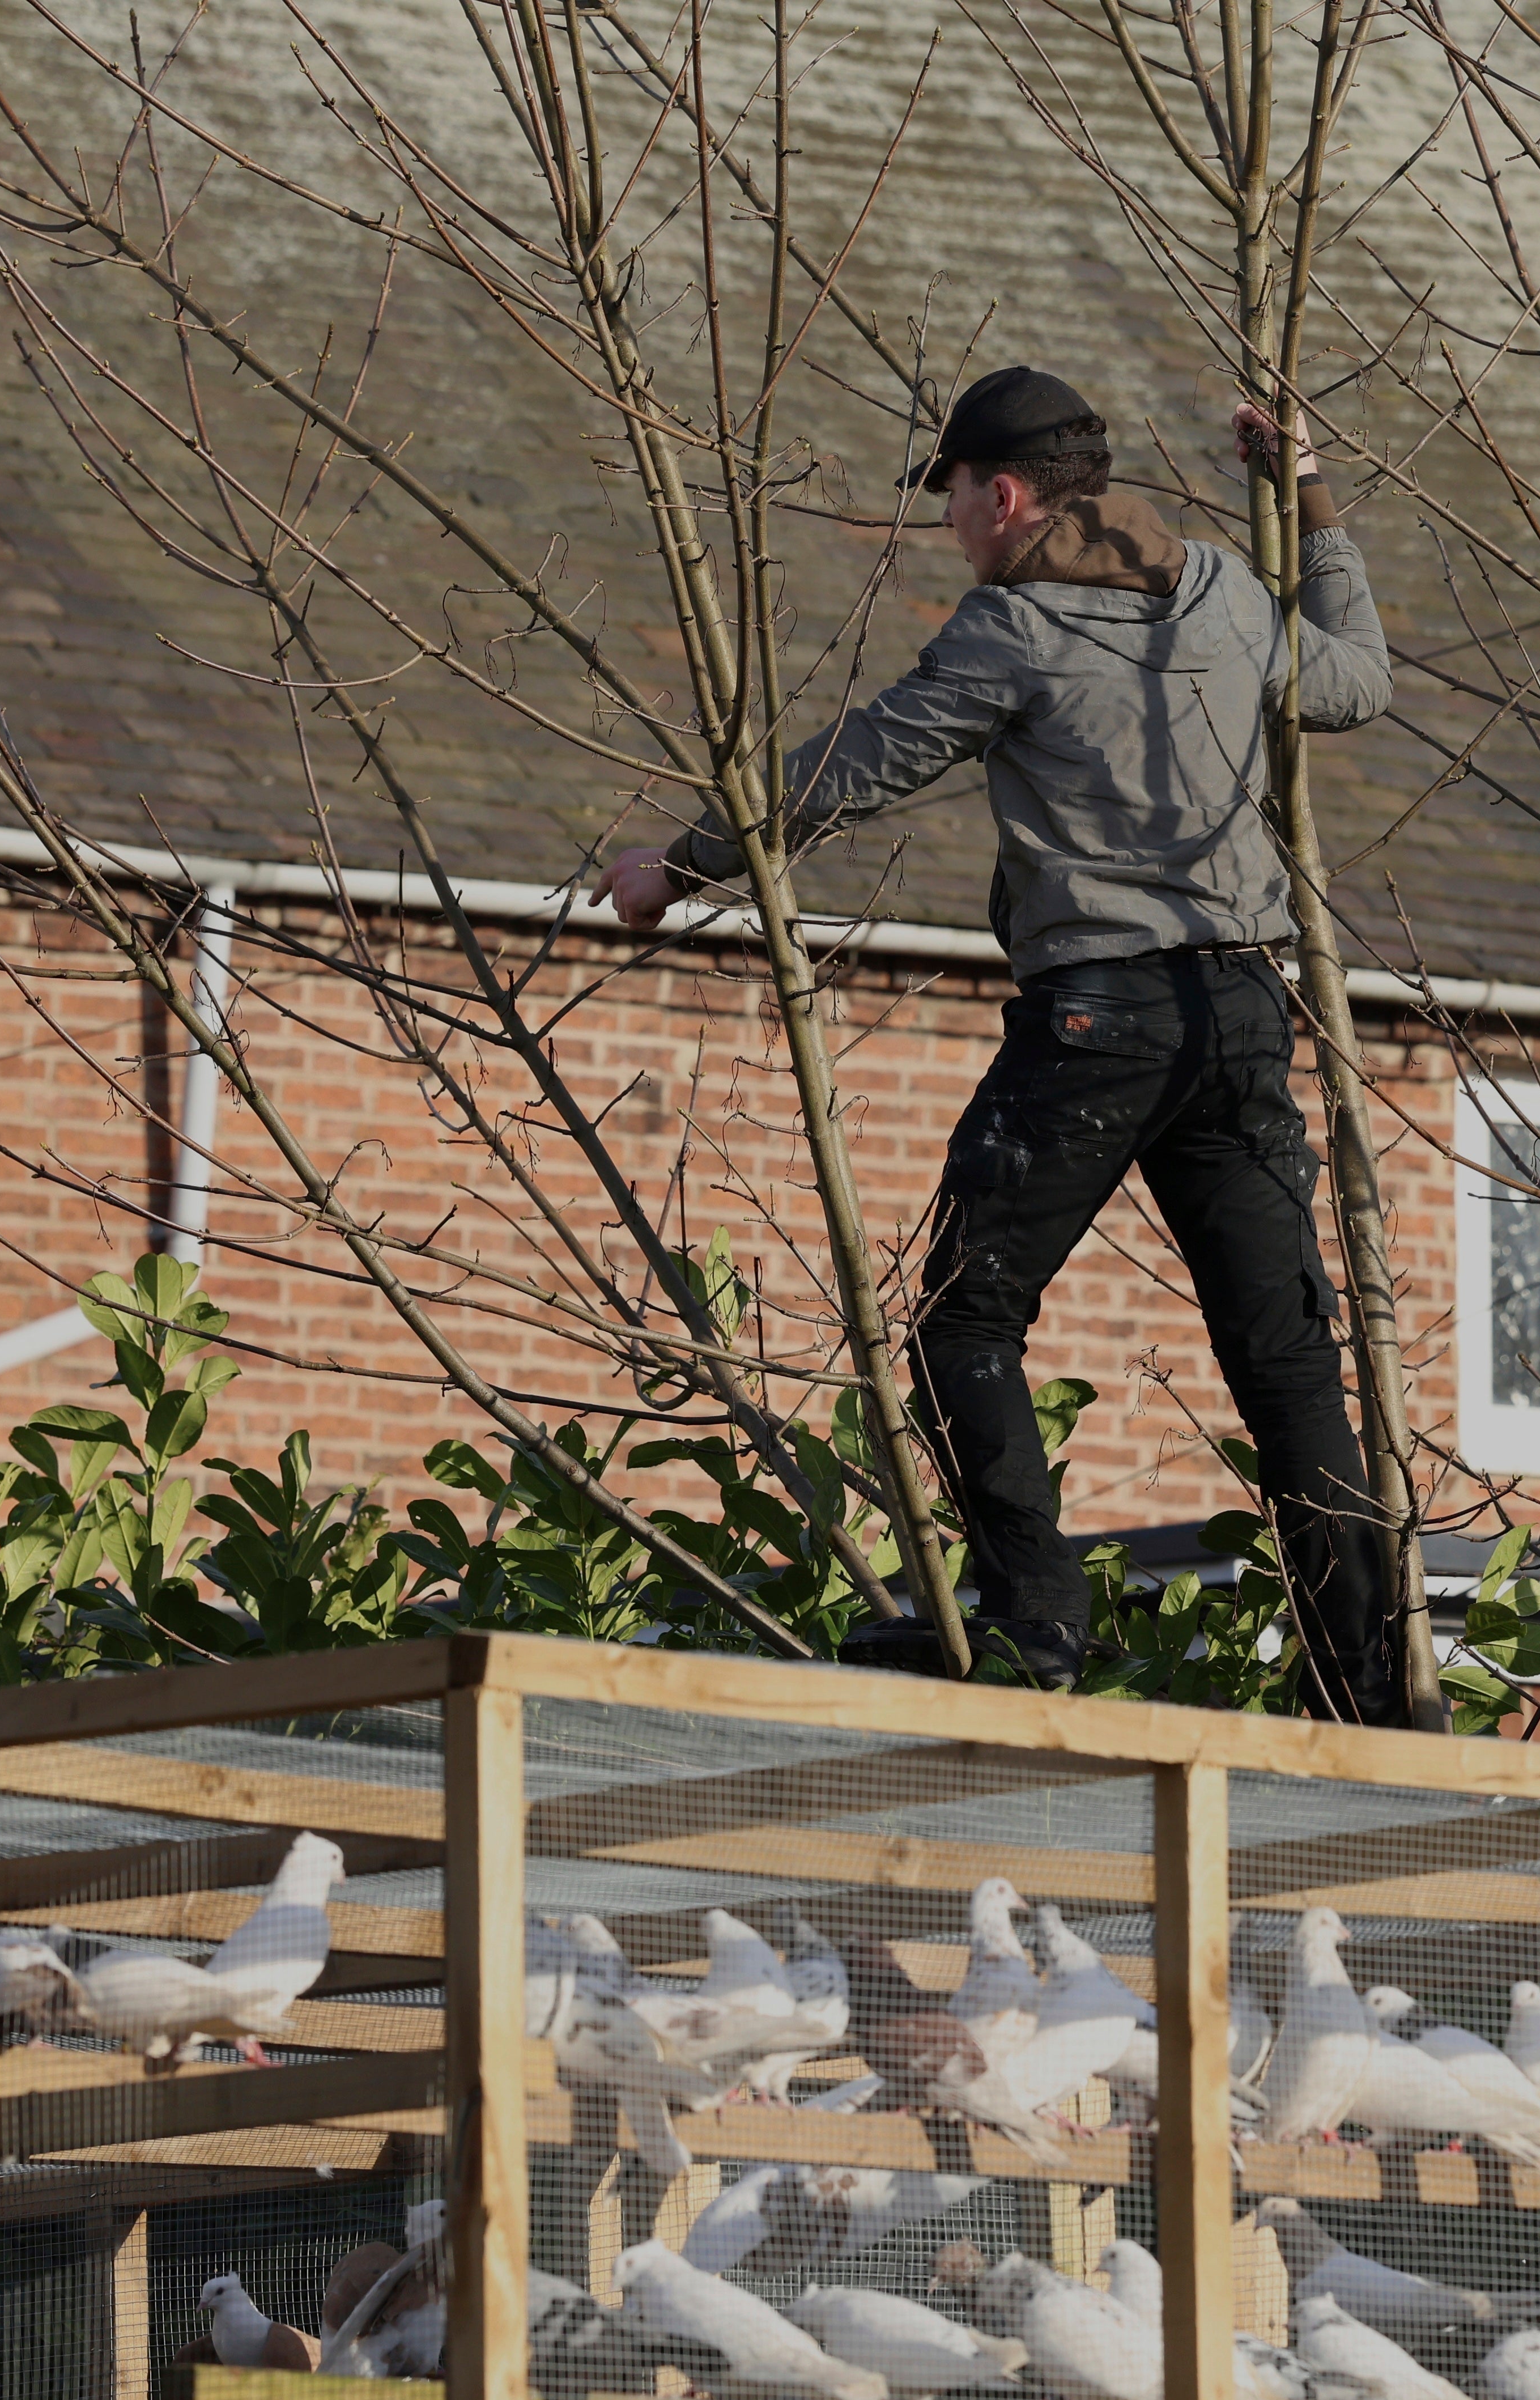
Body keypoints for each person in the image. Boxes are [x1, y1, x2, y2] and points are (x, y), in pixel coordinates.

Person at [593, 366, 1403, 1725]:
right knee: (1286, 1365)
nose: (954, 524)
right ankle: (1366, 1690)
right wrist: (1307, 493)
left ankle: (1032, 1621)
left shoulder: (1013, 629)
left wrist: (678, 866)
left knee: (964, 1316)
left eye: (956, 498)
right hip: (1246, 1015)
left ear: (1006, 495)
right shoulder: (1218, 592)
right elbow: (1359, 680)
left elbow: (855, 763)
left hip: (1099, 1021)